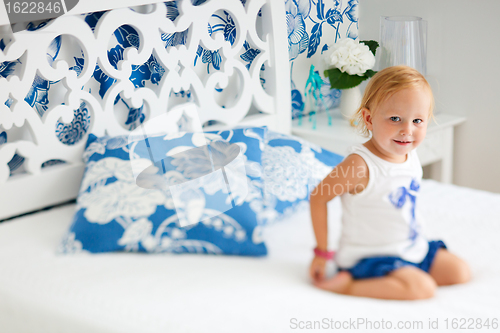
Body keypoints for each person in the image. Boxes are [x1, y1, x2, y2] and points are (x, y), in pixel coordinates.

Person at [309, 65, 470, 300]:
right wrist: (322, 253)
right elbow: (318, 197)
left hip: (411, 247)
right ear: (368, 118)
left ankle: (406, 273)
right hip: (371, 257)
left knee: (459, 272)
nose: (407, 130)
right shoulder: (359, 165)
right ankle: (348, 287)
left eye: (418, 120)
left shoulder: (408, 152)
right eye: (395, 118)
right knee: (423, 289)